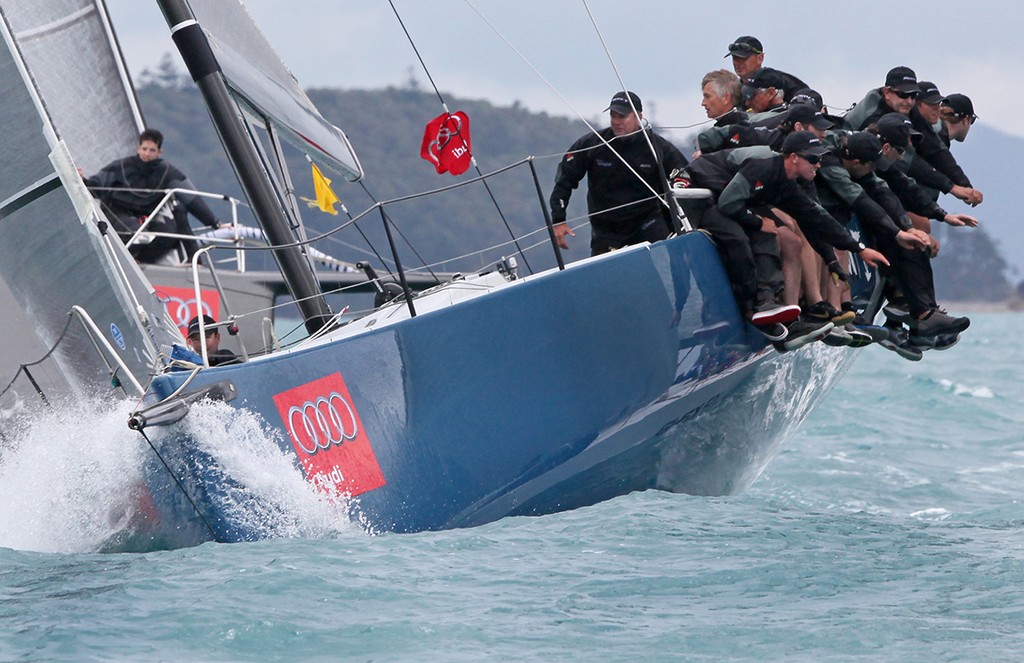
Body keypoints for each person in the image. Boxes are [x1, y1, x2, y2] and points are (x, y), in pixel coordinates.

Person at [549, 91, 688, 255]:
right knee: (605, 277)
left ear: (638, 116)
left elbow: (684, 174)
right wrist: (558, 220)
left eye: (622, 116)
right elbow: (564, 178)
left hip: (647, 222)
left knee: (664, 251)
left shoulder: (657, 147)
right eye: (613, 116)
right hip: (607, 231)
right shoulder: (593, 145)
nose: (616, 121)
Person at [82, 129, 225, 264]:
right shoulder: (120, 166)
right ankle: (117, 261)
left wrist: (215, 223)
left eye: (152, 150)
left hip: (146, 217)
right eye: (144, 149)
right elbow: (95, 188)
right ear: (138, 148)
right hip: (118, 213)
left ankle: (140, 262)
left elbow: (191, 199)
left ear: (159, 152)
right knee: (139, 235)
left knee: (169, 235)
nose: (147, 154)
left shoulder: (167, 171)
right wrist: (82, 180)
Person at [725, 36, 808, 102]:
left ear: (760, 58)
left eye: (743, 58)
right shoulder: (733, 92)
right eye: (735, 58)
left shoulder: (784, 82)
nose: (738, 63)